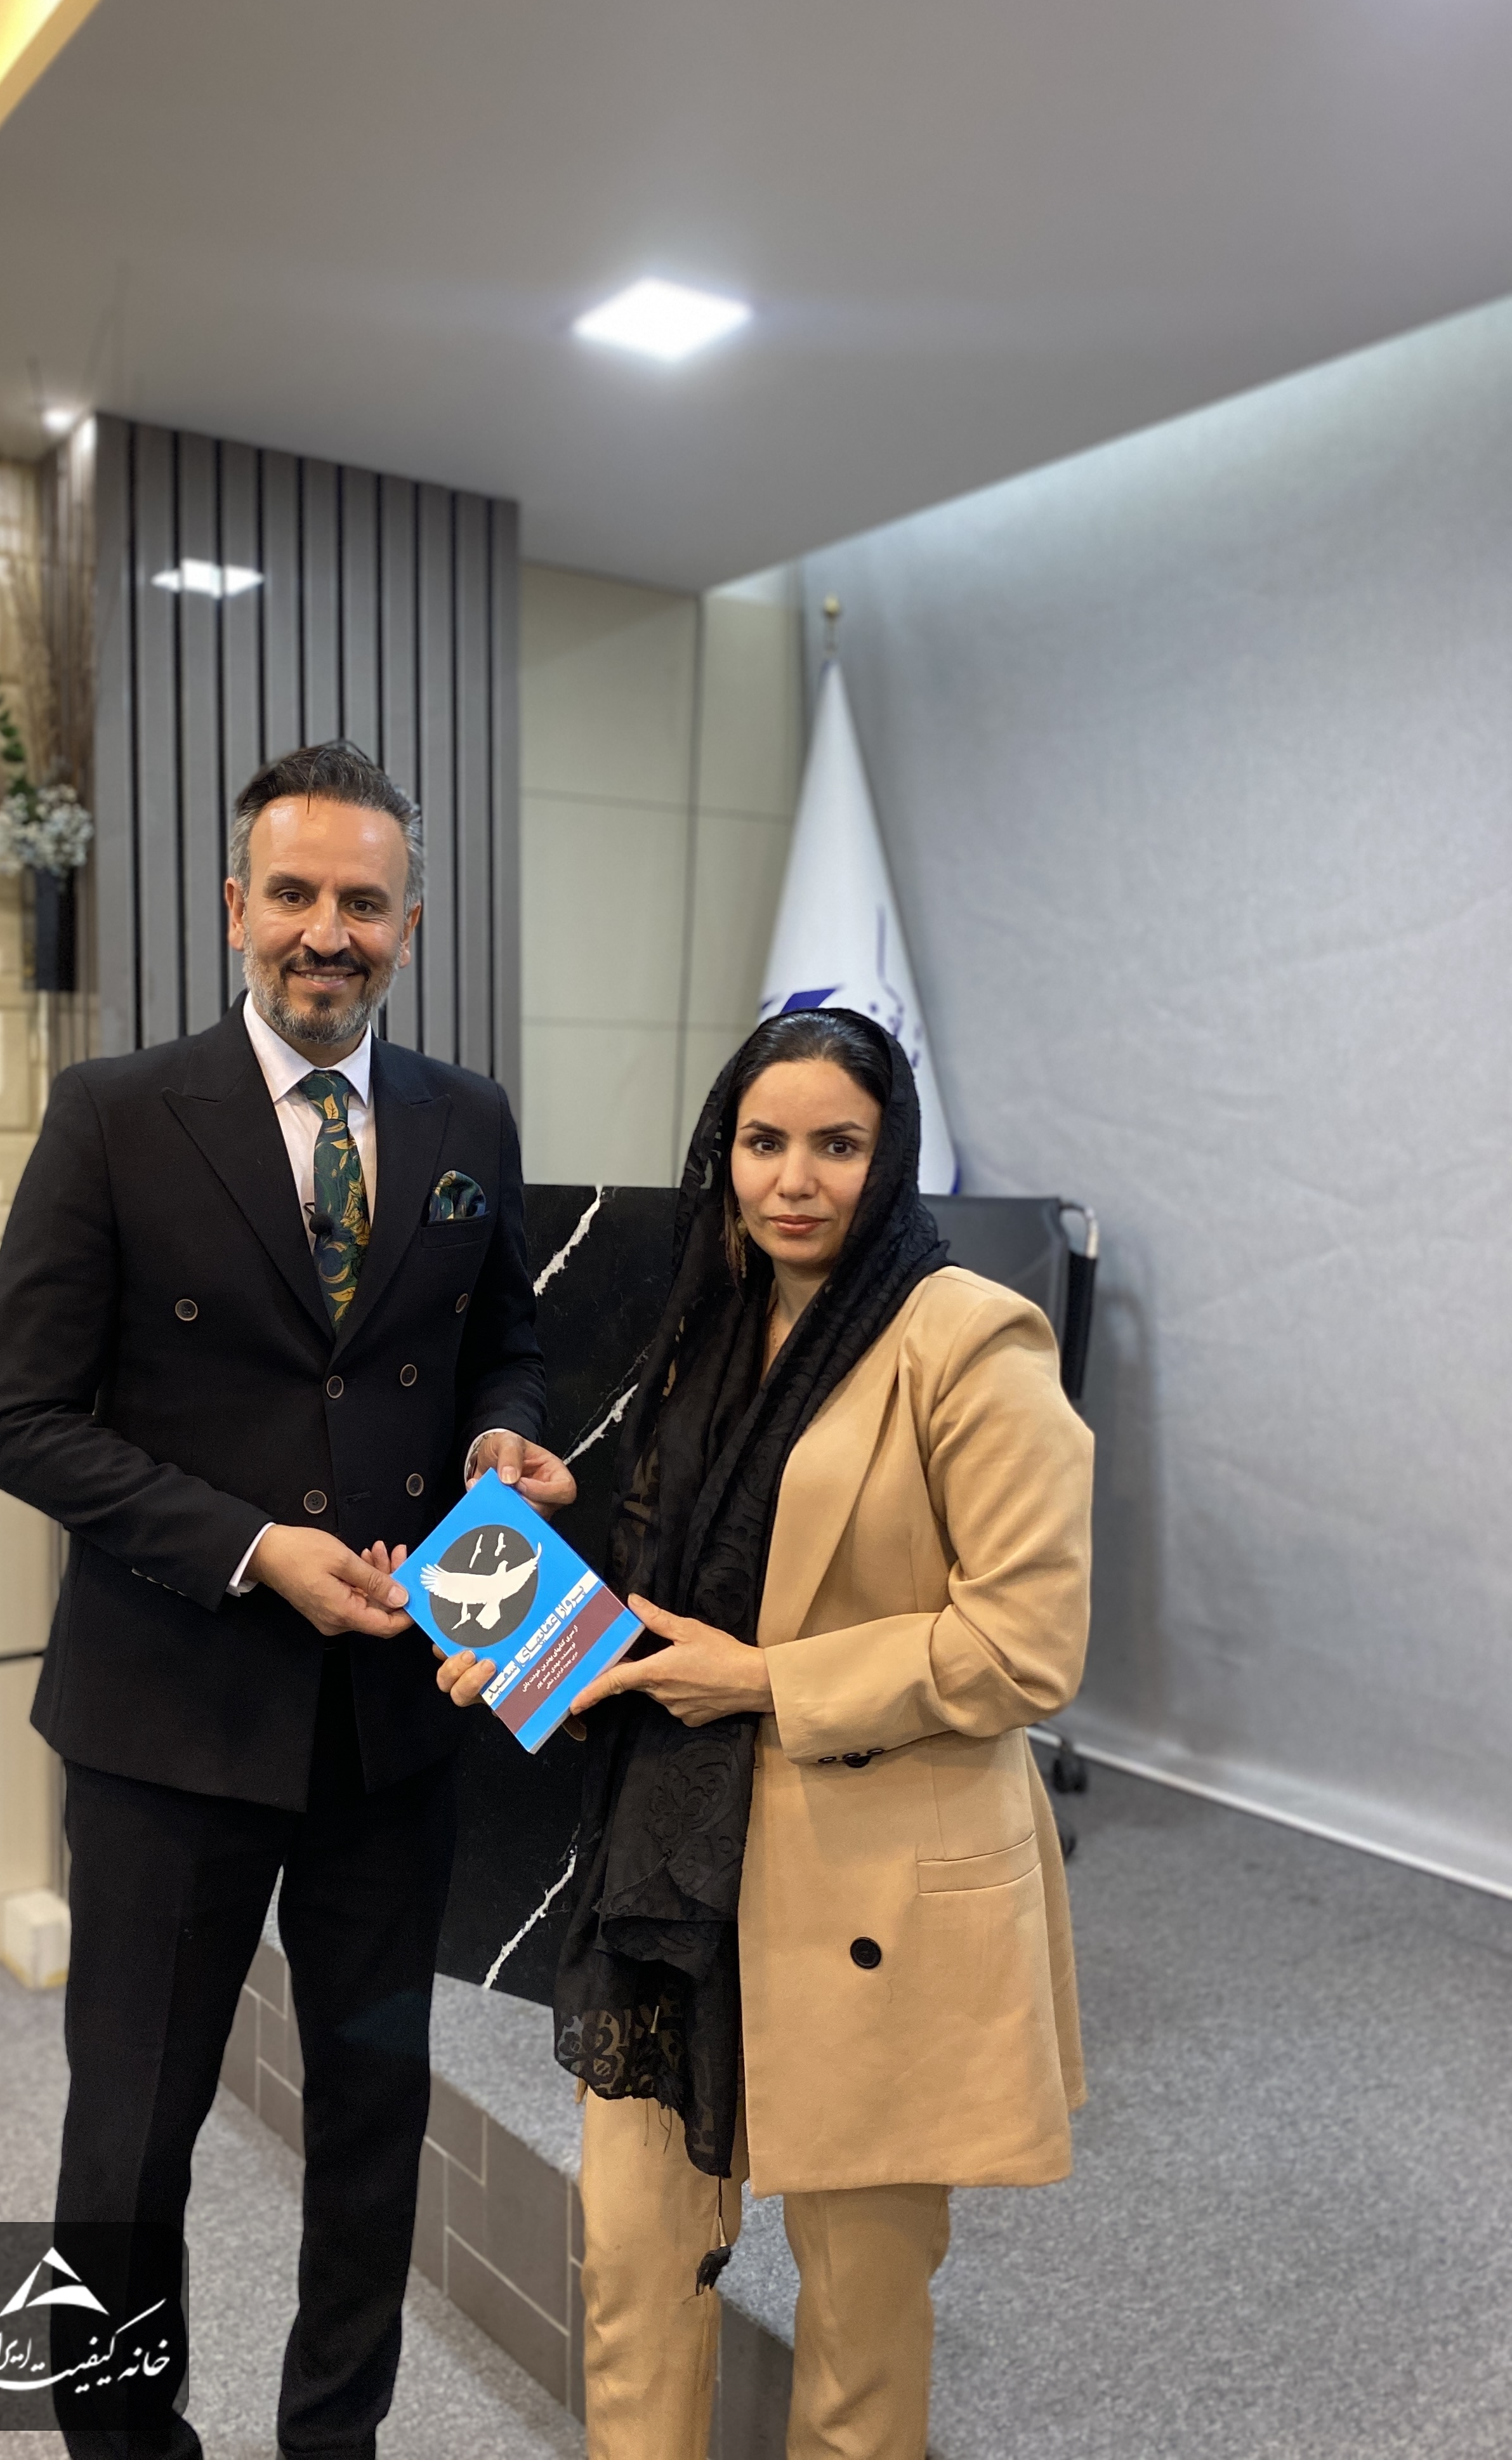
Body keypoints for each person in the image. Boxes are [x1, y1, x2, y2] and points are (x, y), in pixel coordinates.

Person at [0, 739, 575, 2460]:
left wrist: (504, 1440)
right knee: (130, 2143)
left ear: (410, 925)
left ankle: (335, 2439)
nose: (328, 930)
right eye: (294, 894)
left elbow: (509, 1345)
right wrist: (251, 1547)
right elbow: (19, 1420)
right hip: (170, 1723)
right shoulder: (114, 1116)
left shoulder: (467, 1118)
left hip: (394, 1724)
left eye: (363, 902)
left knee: (374, 2118)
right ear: (237, 906)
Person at [438, 1008, 1091, 2460]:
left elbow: (1027, 1647)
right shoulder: (712, 1326)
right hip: (672, 1868)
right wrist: (536, 1627)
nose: (794, 1180)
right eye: (763, 1141)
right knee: (630, 2275)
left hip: (870, 1883)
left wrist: (770, 1684)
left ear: (891, 1155)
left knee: (859, 2319)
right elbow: (681, 1595)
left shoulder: (971, 1339)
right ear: (722, 1152)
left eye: (838, 1145)